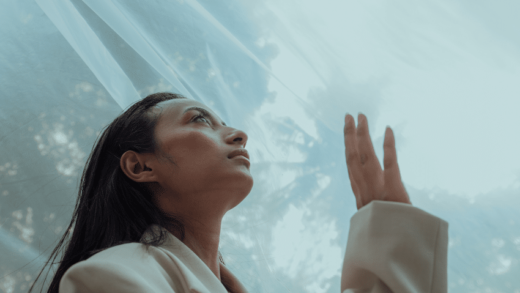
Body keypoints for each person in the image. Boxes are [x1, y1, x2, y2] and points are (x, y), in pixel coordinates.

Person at [29, 92, 448, 293]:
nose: (239, 134)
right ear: (140, 166)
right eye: (200, 120)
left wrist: (390, 230)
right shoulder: (107, 278)